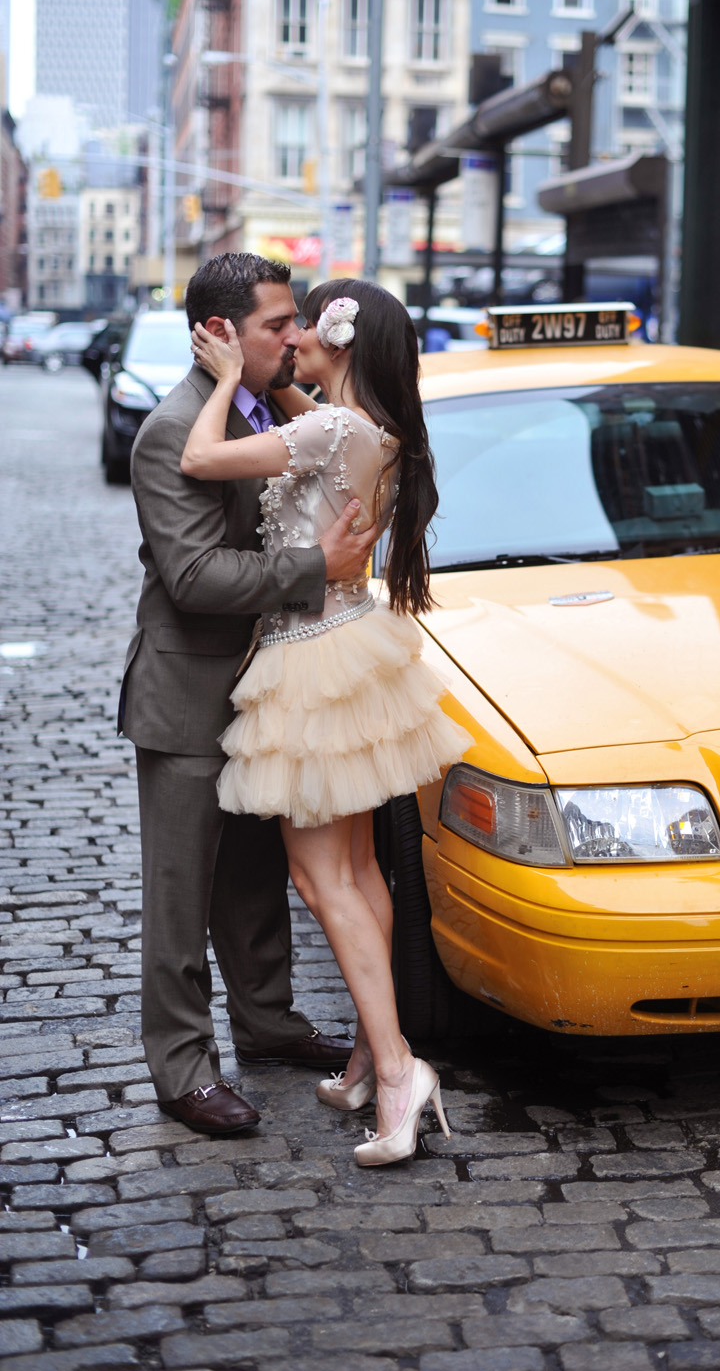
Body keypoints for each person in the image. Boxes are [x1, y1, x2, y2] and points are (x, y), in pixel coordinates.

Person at [181, 278, 470, 1166]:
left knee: (322, 882)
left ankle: (393, 1072)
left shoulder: (329, 430)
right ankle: (363, 1056)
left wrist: (229, 379)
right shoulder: (372, 428)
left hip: (308, 654)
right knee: (358, 872)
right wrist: (277, 386)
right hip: (353, 645)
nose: (295, 335)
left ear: (340, 339)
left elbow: (199, 460)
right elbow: (309, 408)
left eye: (310, 323)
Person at [121, 253, 374, 1136]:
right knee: (183, 894)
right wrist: (319, 568)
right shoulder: (173, 428)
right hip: (189, 691)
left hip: (269, 686)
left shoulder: (273, 409)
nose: (295, 335)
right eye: (277, 324)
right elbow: (192, 573)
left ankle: (268, 1026)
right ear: (223, 333)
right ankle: (183, 1069)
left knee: (258, 878)